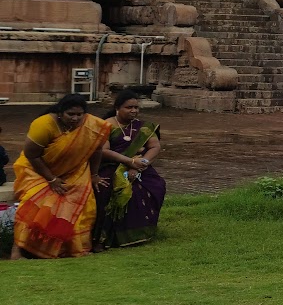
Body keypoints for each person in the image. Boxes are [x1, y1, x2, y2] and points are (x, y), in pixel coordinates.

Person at [10, 94, 145, 260]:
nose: (75, 118)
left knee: (83, 204)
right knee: (36, 200)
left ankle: (63, 249)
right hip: (37, 170)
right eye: (70, 114)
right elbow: (32, 155)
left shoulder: (91, 124)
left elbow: (96, 150)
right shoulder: (43, 124)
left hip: (75, 171)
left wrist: (94, 175)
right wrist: (52, 180)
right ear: (60, 112)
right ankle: (18, 250)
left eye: (79, 115)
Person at [94, 88, 167, 250]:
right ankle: (103, 238)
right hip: (112, 166)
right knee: (106, 190)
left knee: (155, 186)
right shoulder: (106, 126)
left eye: (136, 107)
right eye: (129, 107)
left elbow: (155, 147)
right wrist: (129, 162)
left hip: (140, 166)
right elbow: (104, 151)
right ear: (117, 108)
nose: (134, 111)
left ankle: (139, 233)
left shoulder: (145, 128)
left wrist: (142, 164)